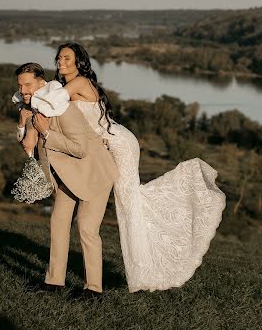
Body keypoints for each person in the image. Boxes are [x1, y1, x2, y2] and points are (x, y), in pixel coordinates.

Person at [53, 42, 226, 293]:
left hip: (119, 144)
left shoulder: (78, 82)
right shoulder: (69, 84)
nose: (61, 61)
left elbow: (53, 103)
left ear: (79, 62)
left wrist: (23, 97)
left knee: (129, 202)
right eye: (59, 57)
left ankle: (152, 267)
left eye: (67, 57)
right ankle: (142, 268)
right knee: (130, 203)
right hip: (106, 145)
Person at [14, 62, 118, 299]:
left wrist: (48, 133)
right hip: (67, 178)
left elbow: (80, 149)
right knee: (58, 223)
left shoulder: (64, 109)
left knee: (86, 229)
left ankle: (93, 290)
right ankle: (54, 283)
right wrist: (23, 123)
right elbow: (28, 148)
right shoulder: (33, 111)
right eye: (20, 86)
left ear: (42, 83)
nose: (23, 90)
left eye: (28, 84)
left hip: (94, 174)